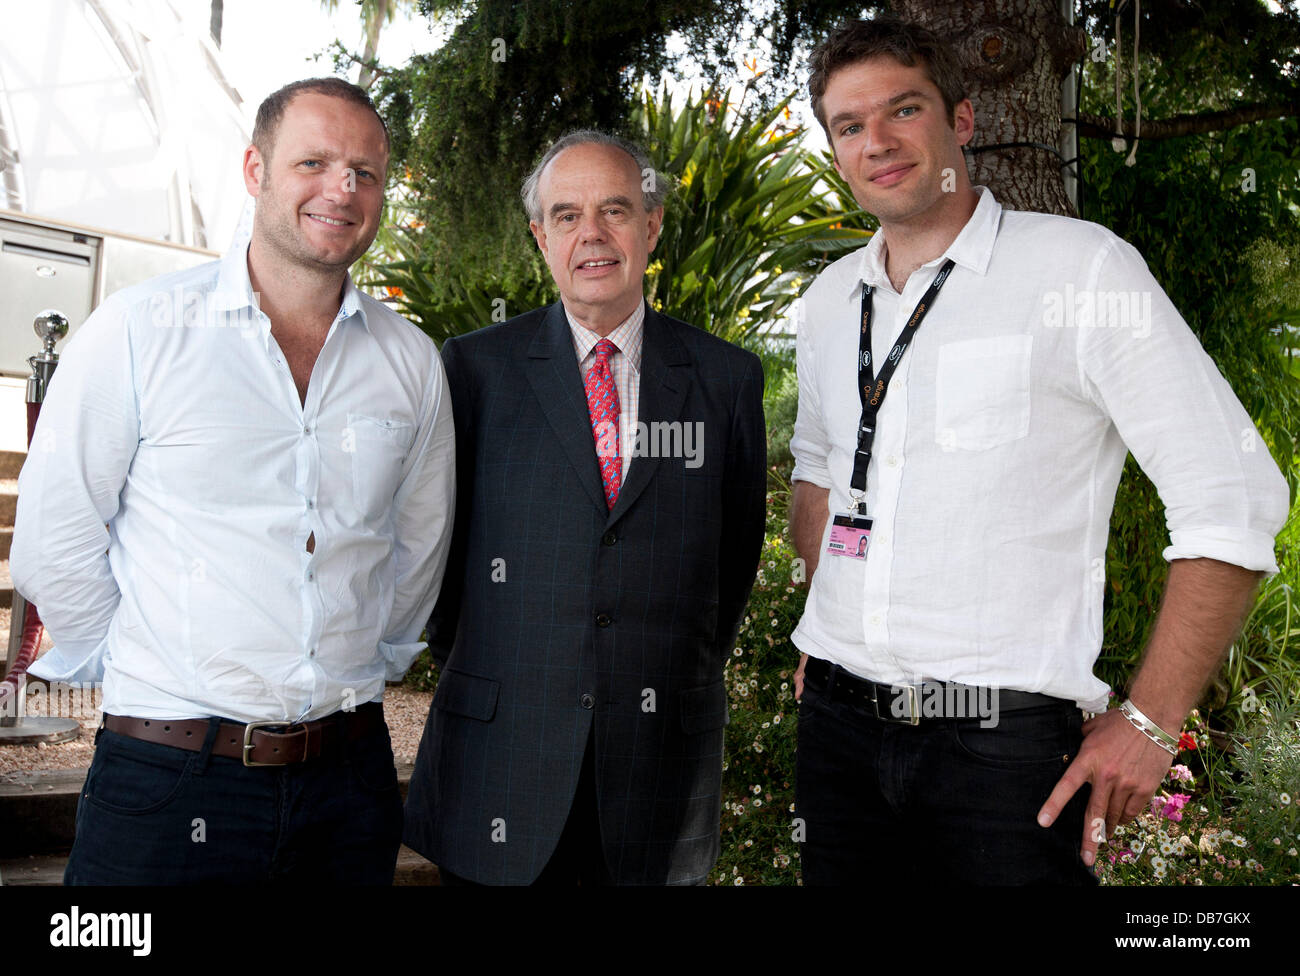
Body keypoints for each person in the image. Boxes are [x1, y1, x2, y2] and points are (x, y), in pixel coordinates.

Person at [787, 18, 1288, 885]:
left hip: (1001, 754)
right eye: (849, 125)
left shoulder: (1081, 272)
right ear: (835, 148)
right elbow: (821, 470)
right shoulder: (831, 302)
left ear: (964, 121)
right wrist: (829, 620)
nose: (879, 143)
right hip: (837, 733)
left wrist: (1152, 720)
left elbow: (1233, 496)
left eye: (904, 110)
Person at [10, 77, 456, 885]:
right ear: (255, 169)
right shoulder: (139, 331)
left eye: (365, 172)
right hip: (165, 780)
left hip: (346, 784)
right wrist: (157, 666)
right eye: (313, 162)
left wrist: (367, 661)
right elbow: (57, 535)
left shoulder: (411, 362)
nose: (342, 189)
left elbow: (416, 551)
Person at [402, 130, 767, 885]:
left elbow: (729, 569)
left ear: (652, 225)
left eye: (615, 210)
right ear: (541, 237)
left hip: (658, 766)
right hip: (500, 762)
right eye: (567, 216)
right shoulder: (474, 369)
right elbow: (437, 553)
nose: (592, 235)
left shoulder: (726, 381)